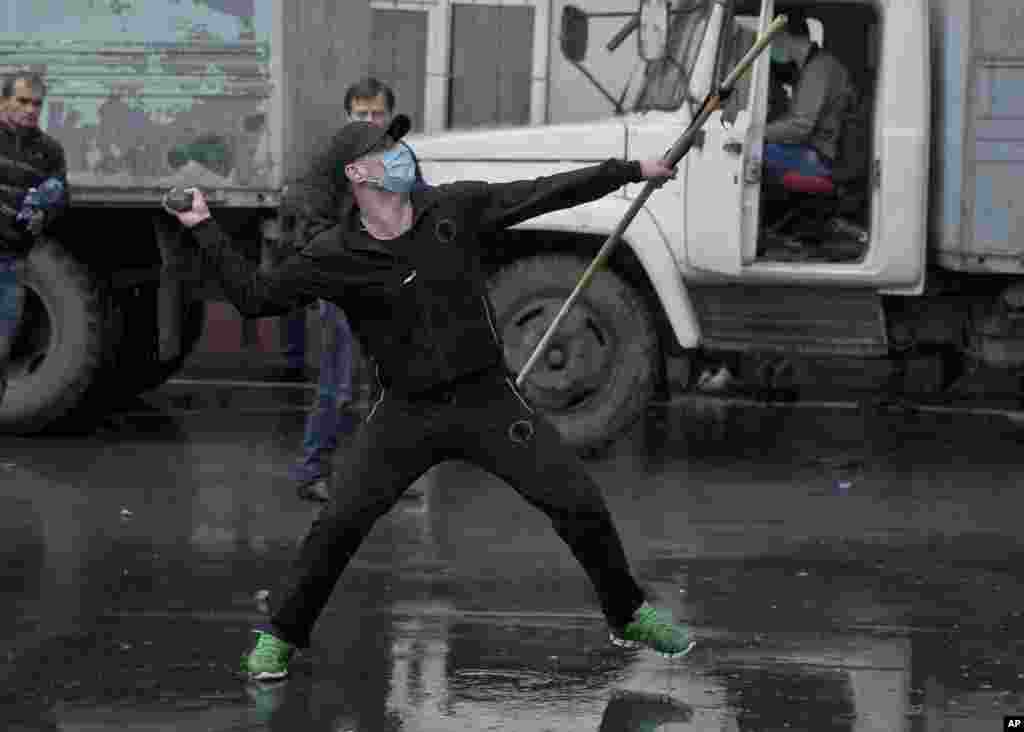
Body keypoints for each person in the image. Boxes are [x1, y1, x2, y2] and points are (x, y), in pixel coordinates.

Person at [164, 114, 695, 681]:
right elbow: (254, 297)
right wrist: (201, 225)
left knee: (578, 501)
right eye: (385, 147)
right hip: (407, 413)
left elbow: (543, 193)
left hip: (488, 401)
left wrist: (632, 171)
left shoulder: (453, 209)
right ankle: (281, 634)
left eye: (398, 142)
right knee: (340, 521)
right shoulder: (335, 254)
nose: (400, 152)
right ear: (356, 172)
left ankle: (627, 612)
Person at [288, 77, 427, 503]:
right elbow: (310, 222)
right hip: (343, 286)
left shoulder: (401, 158)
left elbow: (418, 210)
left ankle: (381, 476)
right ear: (348, 117)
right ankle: (313, 472)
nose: (369, 120)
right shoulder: (329, 160)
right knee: (338, 382)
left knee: (386, 383)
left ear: (388, 117)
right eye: (361, 114)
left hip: (387, 287)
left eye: (377, 113)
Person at [0, 72, 70, 404]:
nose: (30, 109)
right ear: (4, 101)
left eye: (37, 103)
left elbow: (61, 200)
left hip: (10, 264)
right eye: (22, 101)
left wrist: (46, 214)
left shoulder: (48, 152)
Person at [762, 14, 856, 185]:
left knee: (753, 152)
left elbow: (800, 126)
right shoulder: (814, 67)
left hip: (820, 156)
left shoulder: (818, 70)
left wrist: (757, 133)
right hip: (816, 149)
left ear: (782, 36)